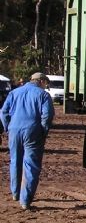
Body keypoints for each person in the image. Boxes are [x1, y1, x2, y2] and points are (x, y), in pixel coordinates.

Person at [0, 72, 54, 210]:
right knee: (31, 163)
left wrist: (8, 127)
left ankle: (15, 193)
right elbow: (47, 115)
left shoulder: (14, 92)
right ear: (41, 81)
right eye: (45, 83)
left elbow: (3, 112)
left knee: (15, 161)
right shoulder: (43, 95)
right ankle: (25, 200)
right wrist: (43, 131)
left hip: (14, 129)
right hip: (32, 130)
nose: (45, 86)